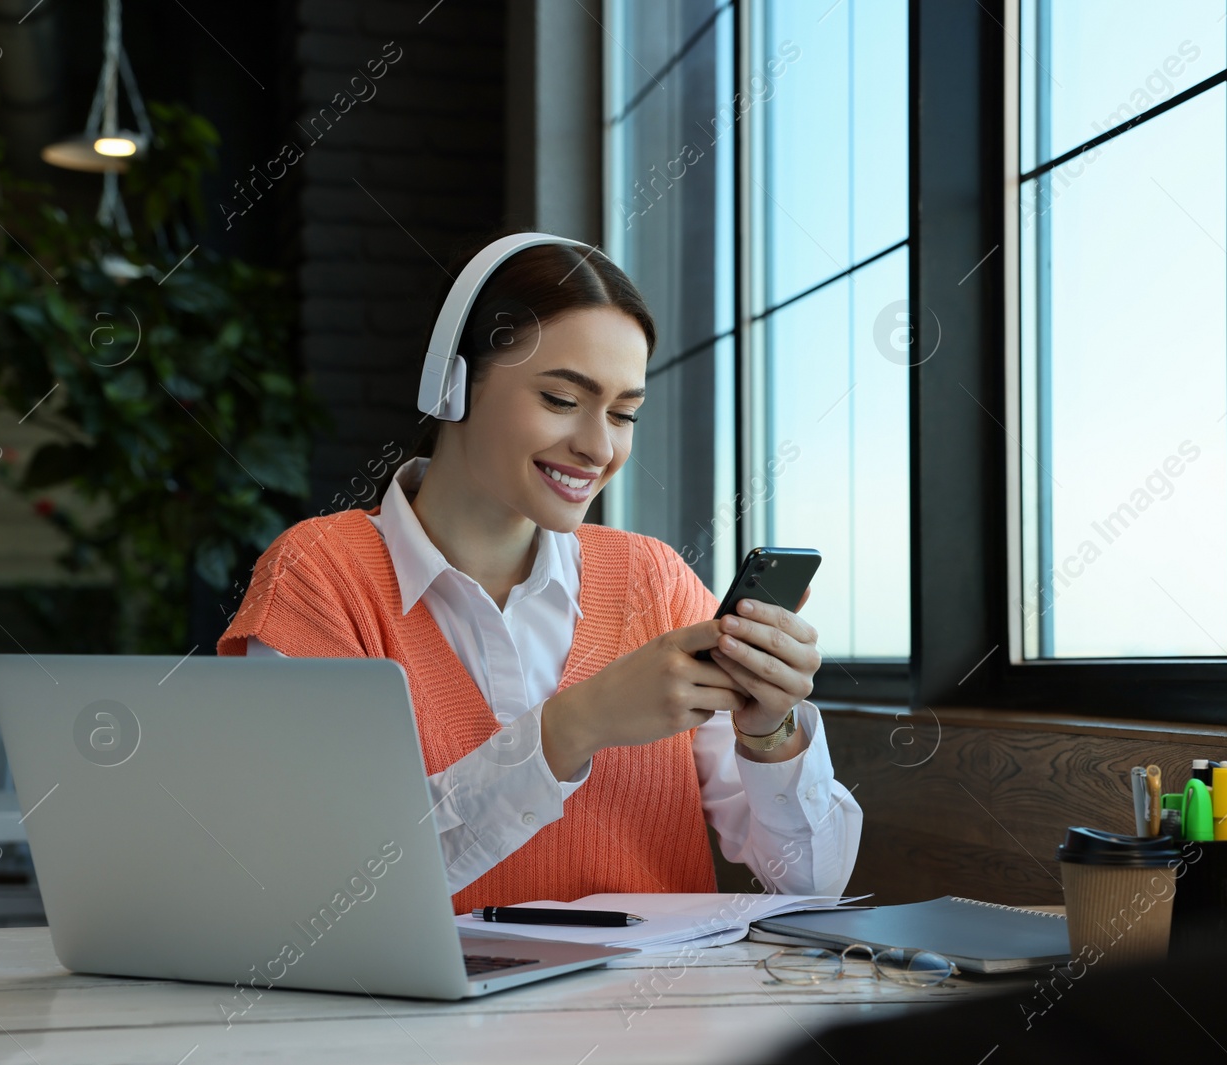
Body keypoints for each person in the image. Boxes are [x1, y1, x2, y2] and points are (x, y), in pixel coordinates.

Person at [217, 229, 862, 914]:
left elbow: (810, 885)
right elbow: (319, 885)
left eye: (625, 413)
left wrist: (771, 733)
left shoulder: (656, 580)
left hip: (660, 1015)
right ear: (453, 385)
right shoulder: (319, 579)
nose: (598, 446)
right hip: (426, 1021)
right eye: (561, 400)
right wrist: (572, 727)